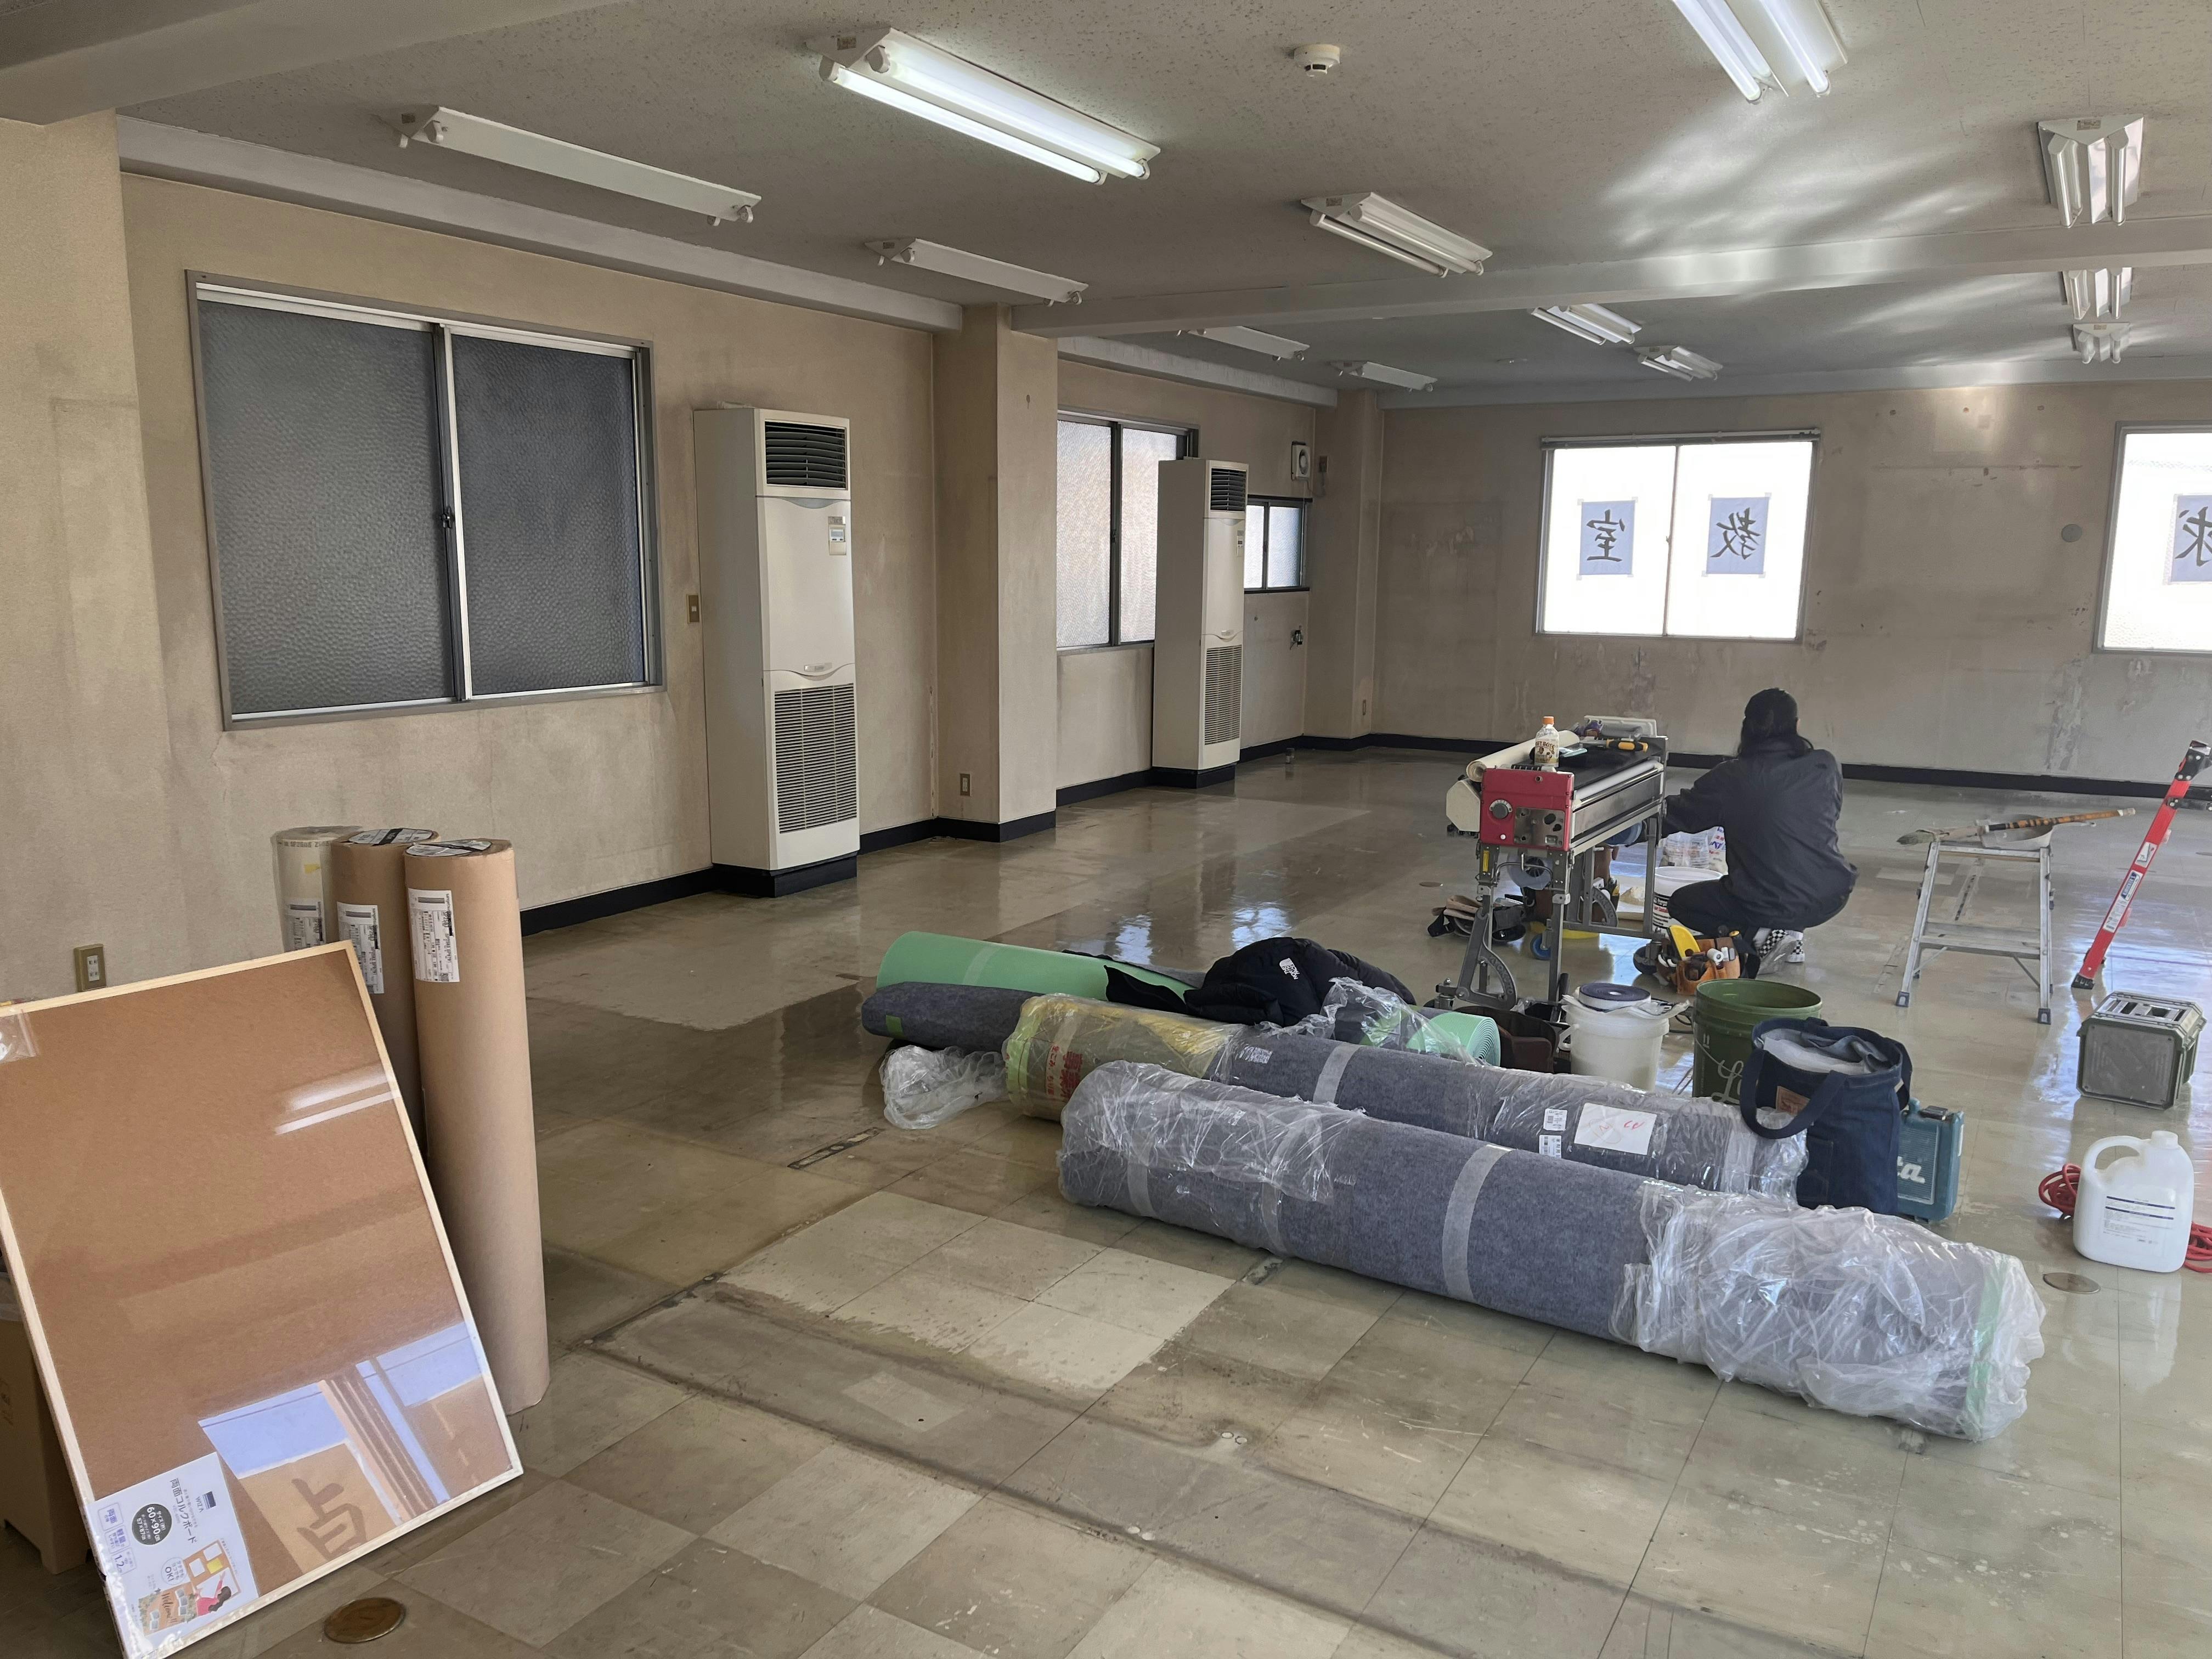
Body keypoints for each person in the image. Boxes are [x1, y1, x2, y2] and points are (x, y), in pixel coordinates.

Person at [1658, 688, 1856, 969]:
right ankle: (1791, 935)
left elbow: (1677, 815)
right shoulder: (1825, 764)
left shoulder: (1732, 777)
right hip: (1830, 892)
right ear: (1797, 725)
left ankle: (1760, 936)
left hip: (1768, 900)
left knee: (1682, 903)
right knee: (1792, 862)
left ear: (1746, 727)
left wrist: (1623, 829)